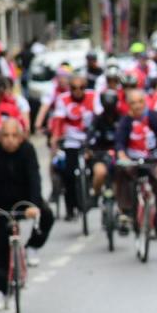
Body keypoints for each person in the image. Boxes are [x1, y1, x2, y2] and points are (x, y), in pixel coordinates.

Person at [0, 119, 54, 310]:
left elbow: (34, 177)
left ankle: (32, 247)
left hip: (25, 201)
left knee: (47, 215)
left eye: (14, 136)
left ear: (21, 137)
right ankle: (0, 290)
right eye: (6, 136)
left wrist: (35, 205)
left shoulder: (28, 150)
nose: (10, 140)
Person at [115, 89, 157, 237]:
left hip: (155, 161)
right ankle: (126, 213)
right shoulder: (125, 122)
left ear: (145, 102)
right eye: (133, 103)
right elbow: (119, 143)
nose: (137, 106)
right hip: (133, 161)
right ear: (128, 105)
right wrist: (122, 155)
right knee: (121, 171)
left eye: (140, 102)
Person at [49, 74, 96, 220]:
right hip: (71, 141)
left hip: (90, 141)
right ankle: (70, 208)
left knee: (97, 167)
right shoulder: (63, 99)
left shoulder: (93, 97)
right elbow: (58, 121)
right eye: (74, 88)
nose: (78, 91)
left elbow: (99, 118)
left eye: (81, 87)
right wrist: (55, 139)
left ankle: (91, 195)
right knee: (68, 174)